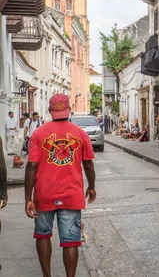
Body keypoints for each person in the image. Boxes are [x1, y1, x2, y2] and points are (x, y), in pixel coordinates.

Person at [24, 93, 96, 277]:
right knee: (71, 240)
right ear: (68, 110)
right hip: (71, 194)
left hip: (44, 194)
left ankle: (47, 276)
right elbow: (88, 164)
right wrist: (91, 186)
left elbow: (32, 166)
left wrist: (28, 198)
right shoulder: (80, 133)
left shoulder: (39, 134)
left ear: (50, 111)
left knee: (42, 234)